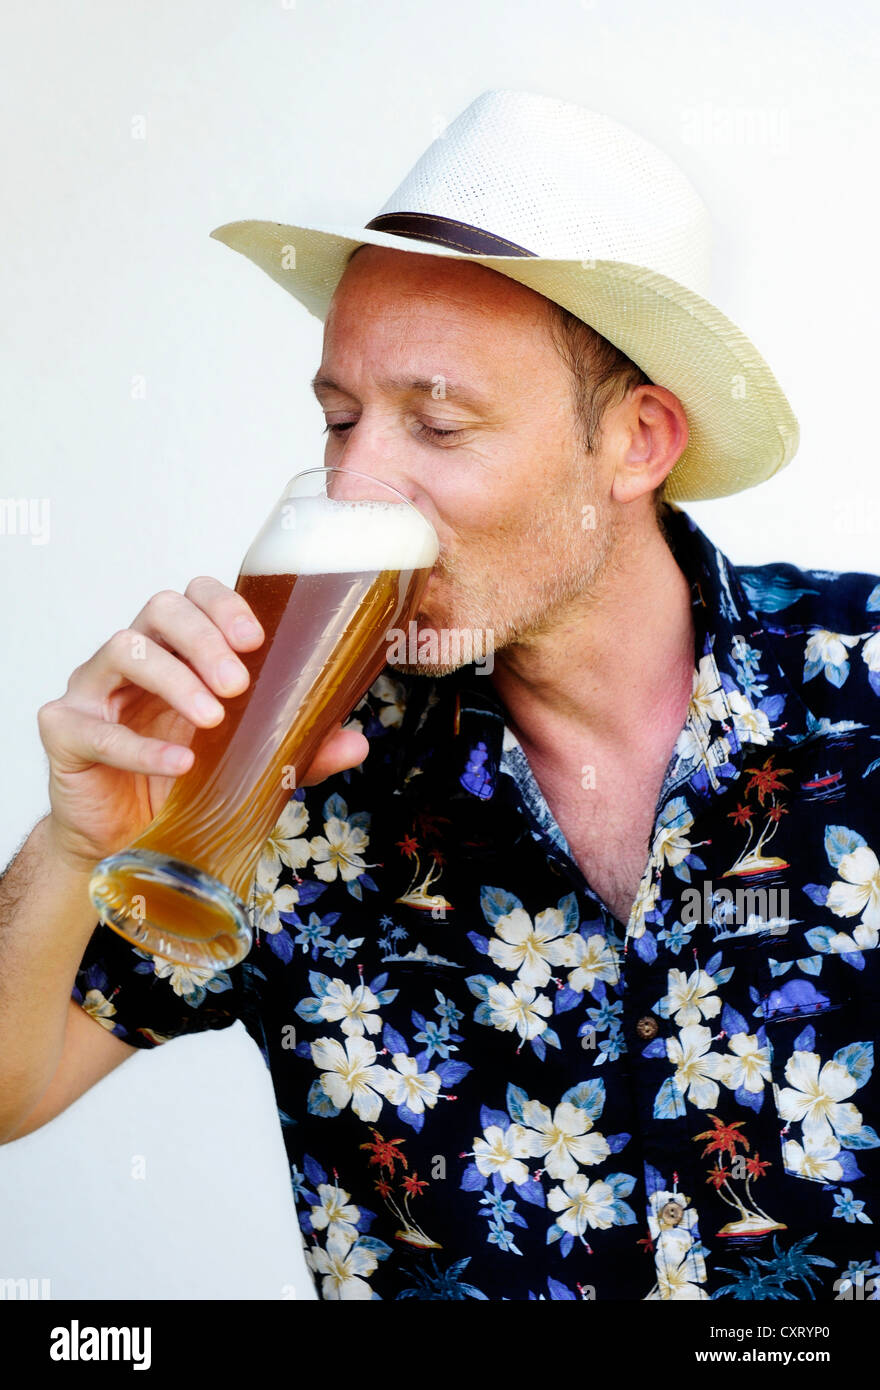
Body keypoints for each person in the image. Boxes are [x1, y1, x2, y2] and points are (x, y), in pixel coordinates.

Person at [2, 89, 879, 1303]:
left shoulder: (866, 685)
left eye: (440, 423)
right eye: (342, 418)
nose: (356, 486)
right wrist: (69, 842)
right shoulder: (289, 775)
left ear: (637, 443)